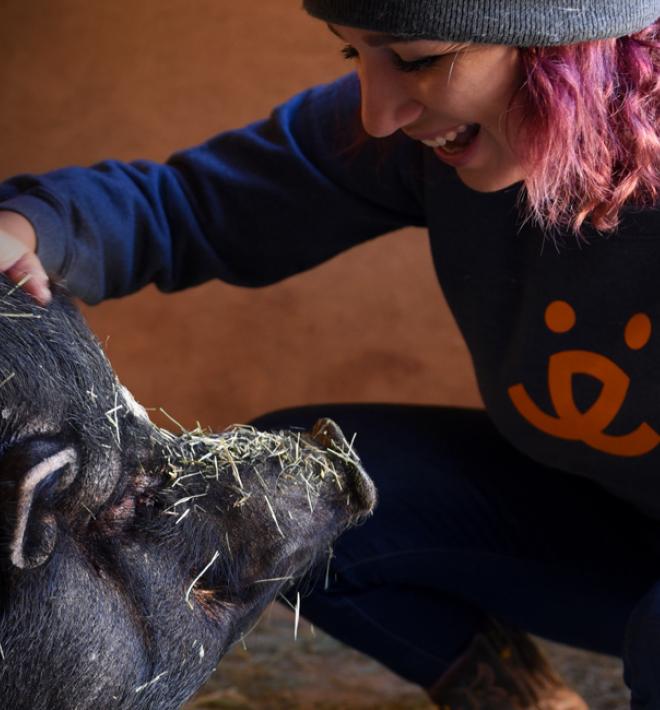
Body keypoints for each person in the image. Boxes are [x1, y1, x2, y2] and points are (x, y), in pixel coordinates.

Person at [0, 0, 658, 707]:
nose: (378, 114)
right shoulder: (431, 134)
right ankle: (520, 698)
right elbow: (196, 202)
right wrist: (32, 228)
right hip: (603, 524)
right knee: (292, 499)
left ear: (573, 49)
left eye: (417, 61)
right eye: (355, 55)